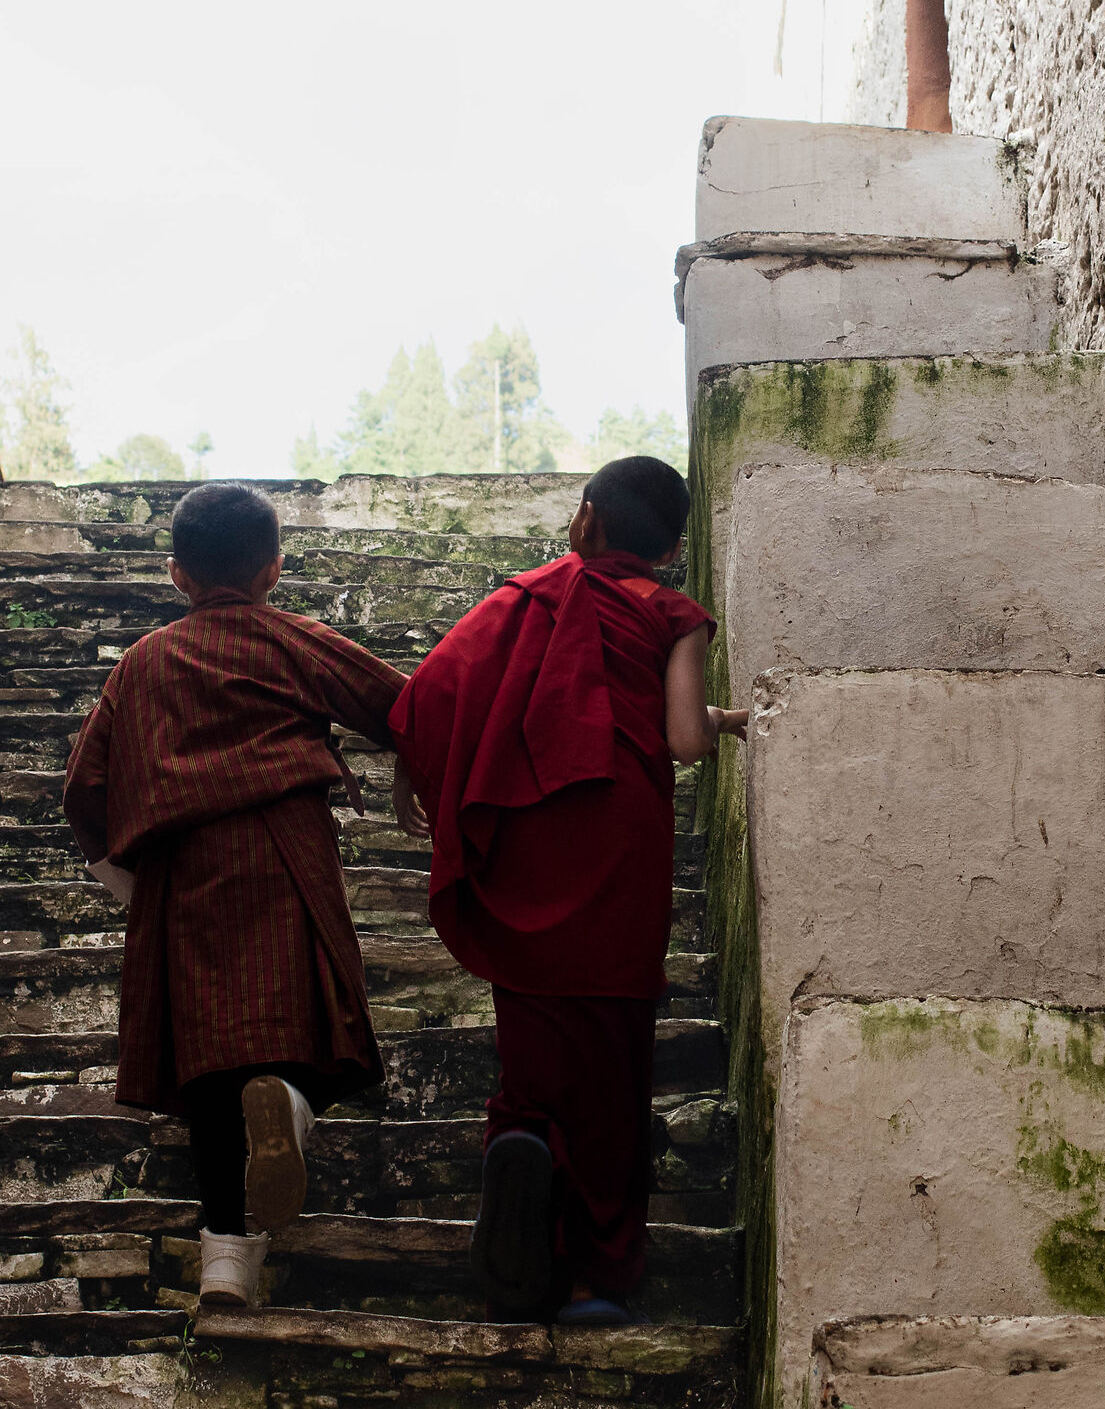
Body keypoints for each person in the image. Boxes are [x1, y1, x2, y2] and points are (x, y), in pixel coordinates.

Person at [388, 453, 746, 1325]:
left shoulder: (530, 595)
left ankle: (521, 1134)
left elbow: (433, 692)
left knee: (536, 1039)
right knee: (613, 1061)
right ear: (674, 548)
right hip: (620, 847)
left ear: (586, 520)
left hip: (533, 841)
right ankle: (592, 1280)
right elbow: (682, 739)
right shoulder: (674, 613)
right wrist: (721, 723)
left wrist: (413, 776)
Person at [62, 482, 422, 1309]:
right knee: (319, 1025)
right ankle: (292, 1104)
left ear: (177, 575)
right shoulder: (293, 638)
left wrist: (126, 878)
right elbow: (408, 704)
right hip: (285, 852)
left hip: (182, 871)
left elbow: (84, 786)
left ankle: (226, 1260)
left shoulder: (142, 662)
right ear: (274, 570)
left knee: (207, 1063)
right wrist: (410, 763)